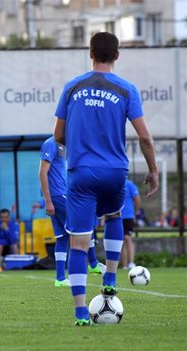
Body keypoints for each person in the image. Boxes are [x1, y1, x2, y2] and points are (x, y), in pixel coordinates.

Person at [54, 32, 158, 326]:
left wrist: (78, 143)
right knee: (114, 215)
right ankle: (110, 276)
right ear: (117, 55)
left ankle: (80, 312)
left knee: (78, 242)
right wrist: (153, 170)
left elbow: (58, 135)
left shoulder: (72, 87)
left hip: (81, 171)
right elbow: (145, 138)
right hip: (115, 171)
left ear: (90, 53)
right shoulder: (127, 89)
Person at [37, 136, 71, 287]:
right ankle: (94, 265)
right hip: (58, 196)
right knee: (79, 232)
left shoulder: (64, 145)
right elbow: (42, 173)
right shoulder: (51, 144)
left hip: (60, 195)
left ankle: (60, 278)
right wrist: (48, 201)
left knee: (62, 237)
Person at [121, 179, 140, 270]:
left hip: (128, 216)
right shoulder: (113, 182)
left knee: (127, 238)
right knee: (121, 241)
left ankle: (131, 262)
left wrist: (136, 212)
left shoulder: (130, 184)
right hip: (117, 216)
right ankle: (124, 265)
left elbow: (137, 199)